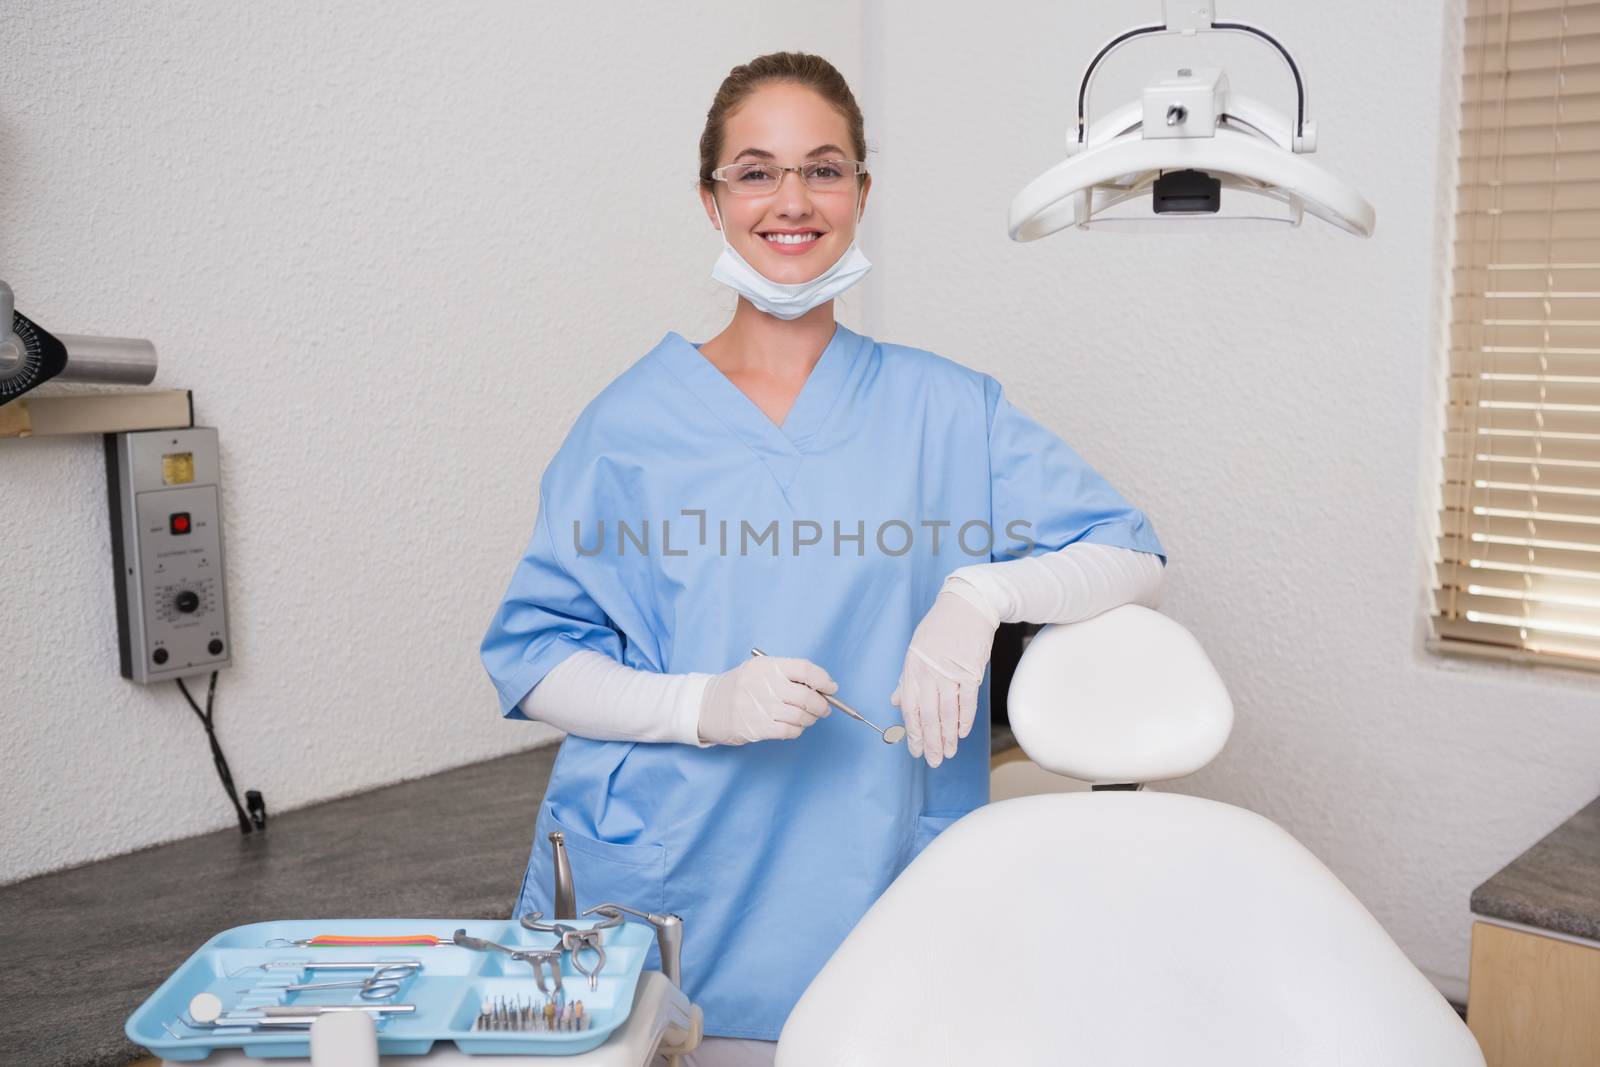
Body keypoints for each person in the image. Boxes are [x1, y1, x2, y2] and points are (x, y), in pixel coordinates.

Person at [480, 51, 1166, 1067]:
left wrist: (984, 592)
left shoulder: (948, 410)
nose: (790, 199)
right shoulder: (629, 426)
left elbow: (1129, 549)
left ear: (860, 193)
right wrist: (698, 706)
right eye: (755, 170)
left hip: (870, 886)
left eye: (823, 167)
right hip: (666, 898)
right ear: (711, 200)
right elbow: (533, 659)